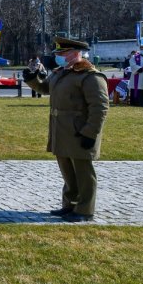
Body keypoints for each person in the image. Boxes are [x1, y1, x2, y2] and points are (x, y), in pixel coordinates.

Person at [21, 37, 109, 222]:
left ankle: (85, 209)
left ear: (76, 53)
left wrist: (90, 133)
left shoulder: (90, 76)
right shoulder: (62, 72)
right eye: (58, 53)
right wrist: (32, 80)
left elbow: (99, 107)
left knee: (83, 172)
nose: (59, 56)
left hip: (79, 131)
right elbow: (46, 88)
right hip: (61, 130)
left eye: (63, 53)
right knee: (67, 170)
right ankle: (70, 204)